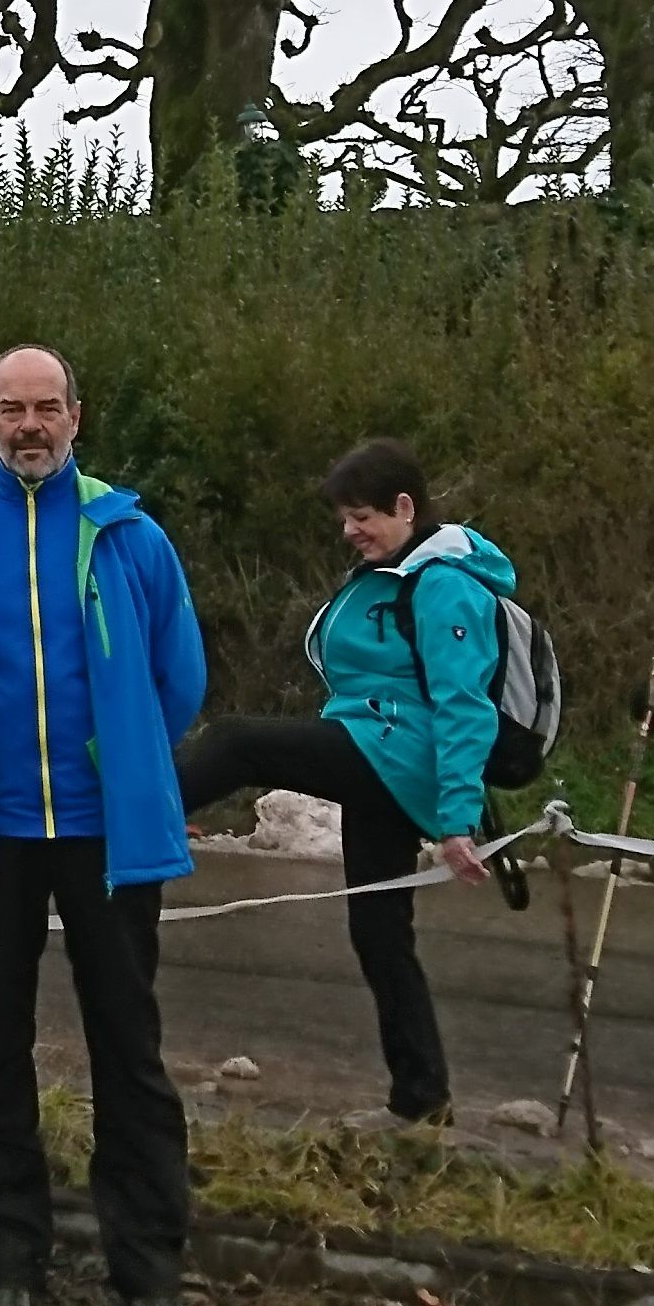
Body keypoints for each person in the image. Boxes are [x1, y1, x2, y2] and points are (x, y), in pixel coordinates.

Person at [0, 346, 203, 1306]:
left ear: (76, 415)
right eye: (13, 408)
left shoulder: (131, 533)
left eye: (47, 408)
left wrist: (124, 759)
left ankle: (146, 1265)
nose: (31, 424)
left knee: (128, 1047)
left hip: (109, 834)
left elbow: (177, 677)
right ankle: (7, 1258)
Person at [173, 439, 508, 1126]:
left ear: (405, 507)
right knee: (380, 933)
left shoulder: (445, 583)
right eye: (345, 519)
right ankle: (422, 1100)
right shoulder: (392, 570)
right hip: (377, 752)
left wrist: (456, 819)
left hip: (395, 754)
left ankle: (118, 817)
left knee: (238, 740)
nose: (350, 531)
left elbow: (464, 705)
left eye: (362, 516)